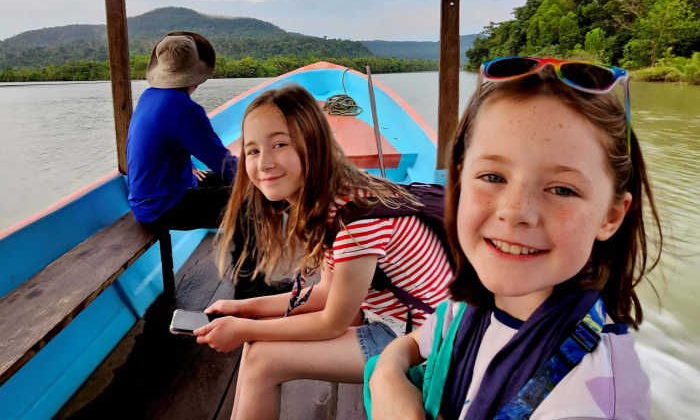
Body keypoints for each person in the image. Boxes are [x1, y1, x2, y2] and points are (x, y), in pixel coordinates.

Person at [366, 57, 662, 420]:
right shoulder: (468, 308)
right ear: (459, 183)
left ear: (611, 215)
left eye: (561, 189)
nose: (516, 211)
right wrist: (387, 376)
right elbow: (414, 343)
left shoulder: (592, 399)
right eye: (492, 177)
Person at [192, 84, 453, 420]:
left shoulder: (354, 221)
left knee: (261, 360)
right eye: (253, 151)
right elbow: (328, 291)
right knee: (256, 343)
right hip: (390, 319)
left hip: (421, 341)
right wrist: (243, 308)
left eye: (280, 144)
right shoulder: (338, 196)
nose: (264, 163)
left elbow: (332, 322)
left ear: (313, 145)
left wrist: (245, 328)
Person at [126, 31, 237, 232]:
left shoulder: (149, 97)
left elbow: (164, 144)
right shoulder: (185, 109)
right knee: (250, 200)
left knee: (235, 183)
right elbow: (222, 162)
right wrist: (258, 181)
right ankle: (246, 264)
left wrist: (190, 166)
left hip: (144, 201)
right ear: (197, 74)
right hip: (162, 208)